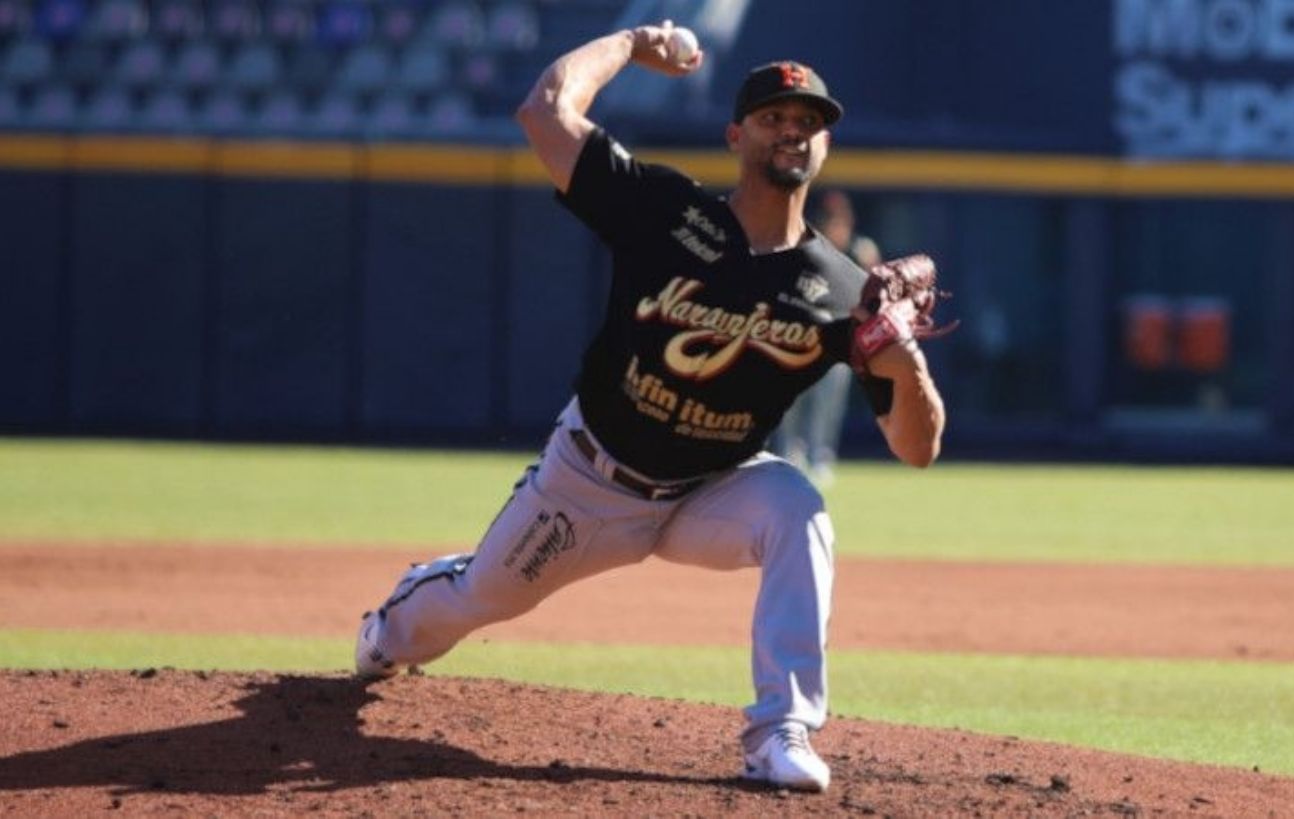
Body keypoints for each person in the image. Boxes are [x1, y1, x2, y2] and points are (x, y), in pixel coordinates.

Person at [354, 22, 946, 794]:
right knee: (477, 598)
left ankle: (781, 730)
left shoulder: (842, 292)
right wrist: (632, 44)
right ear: (735, 135)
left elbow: (917, 448)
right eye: (772, 116)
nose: (791, 131)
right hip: (591, 479)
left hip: (712, 490)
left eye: (808, 122)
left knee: (799, 509)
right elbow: (543, 113)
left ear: (825, 145)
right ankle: (389, 628)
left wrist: (906, 364)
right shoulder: (664, 211)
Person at [773, 190, 881, 486]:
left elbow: (875, 296)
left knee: (828, 404)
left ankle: (820, 457)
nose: (837, 226)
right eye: (832, 220)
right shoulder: (807, 247)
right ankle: (791, 454)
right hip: (802, 337)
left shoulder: (860, 250)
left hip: (839, 343)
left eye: (841, 220)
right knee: (793, 402)